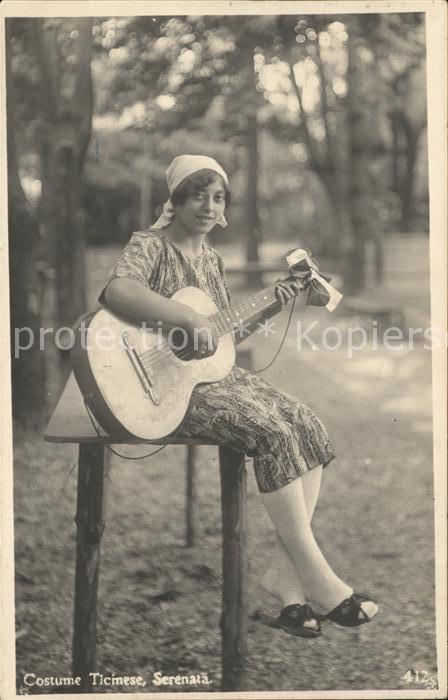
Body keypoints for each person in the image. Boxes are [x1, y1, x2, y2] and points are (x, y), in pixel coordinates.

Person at [100, 154, 379, 638]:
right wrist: (182, 319)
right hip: (164, 387)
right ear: (177, 198)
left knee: (305, 422)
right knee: (270, 431)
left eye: (218, 197)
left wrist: (278, 299)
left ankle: (286, 583)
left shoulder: (211, 259)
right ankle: (320, 579)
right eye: (198, 194)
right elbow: (117, 292)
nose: (208, 206)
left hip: (214, 379)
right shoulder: (150, 245)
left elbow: (223, 333)